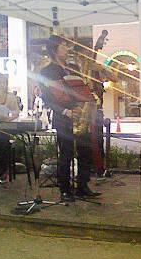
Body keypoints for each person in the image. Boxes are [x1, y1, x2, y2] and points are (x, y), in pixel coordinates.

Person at [40, 35, 101, 202]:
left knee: (85, 151)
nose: (67, 49)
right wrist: (65, 111)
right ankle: (65, 189)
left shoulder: (73, 68)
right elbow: (47, 98)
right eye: (63, 46)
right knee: (66, 153)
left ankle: (82, 186)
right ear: (54, 49)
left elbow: (80, 89)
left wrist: (88, 94)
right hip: (63, 117)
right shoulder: (46, 71)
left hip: (80, 114)